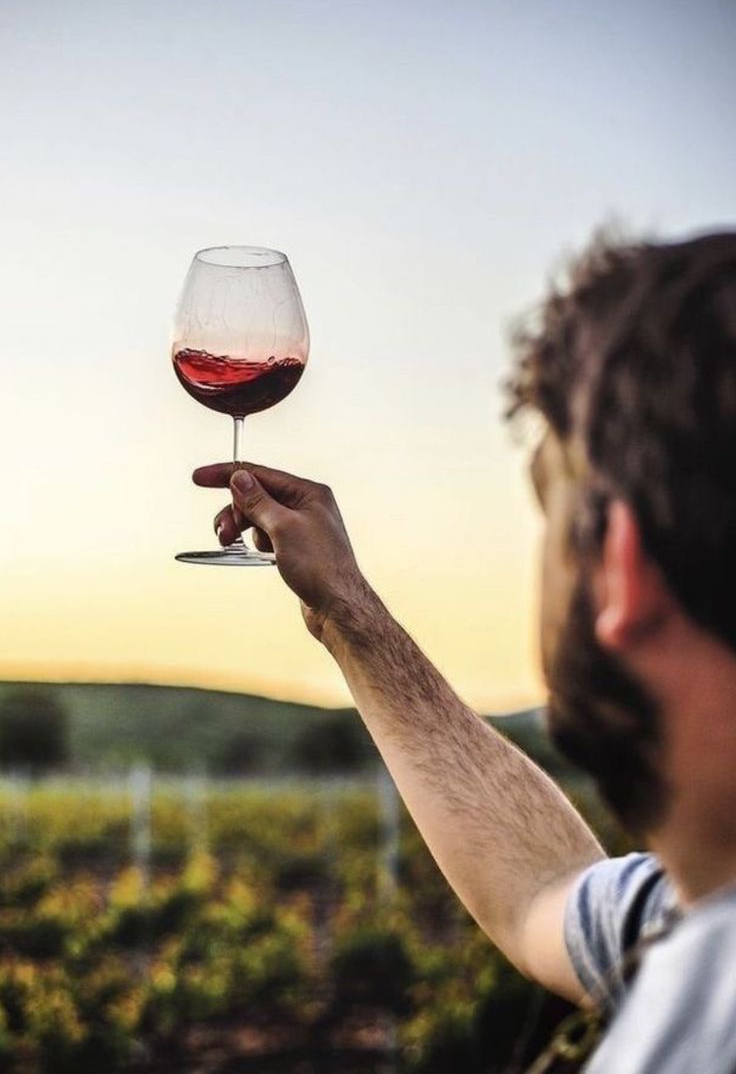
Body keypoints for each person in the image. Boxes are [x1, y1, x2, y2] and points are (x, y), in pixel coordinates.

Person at [194, 229, 736, 1072]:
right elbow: (539, 896)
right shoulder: (678, 921)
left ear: (617, 564)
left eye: (547, 511)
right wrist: (348, 614)